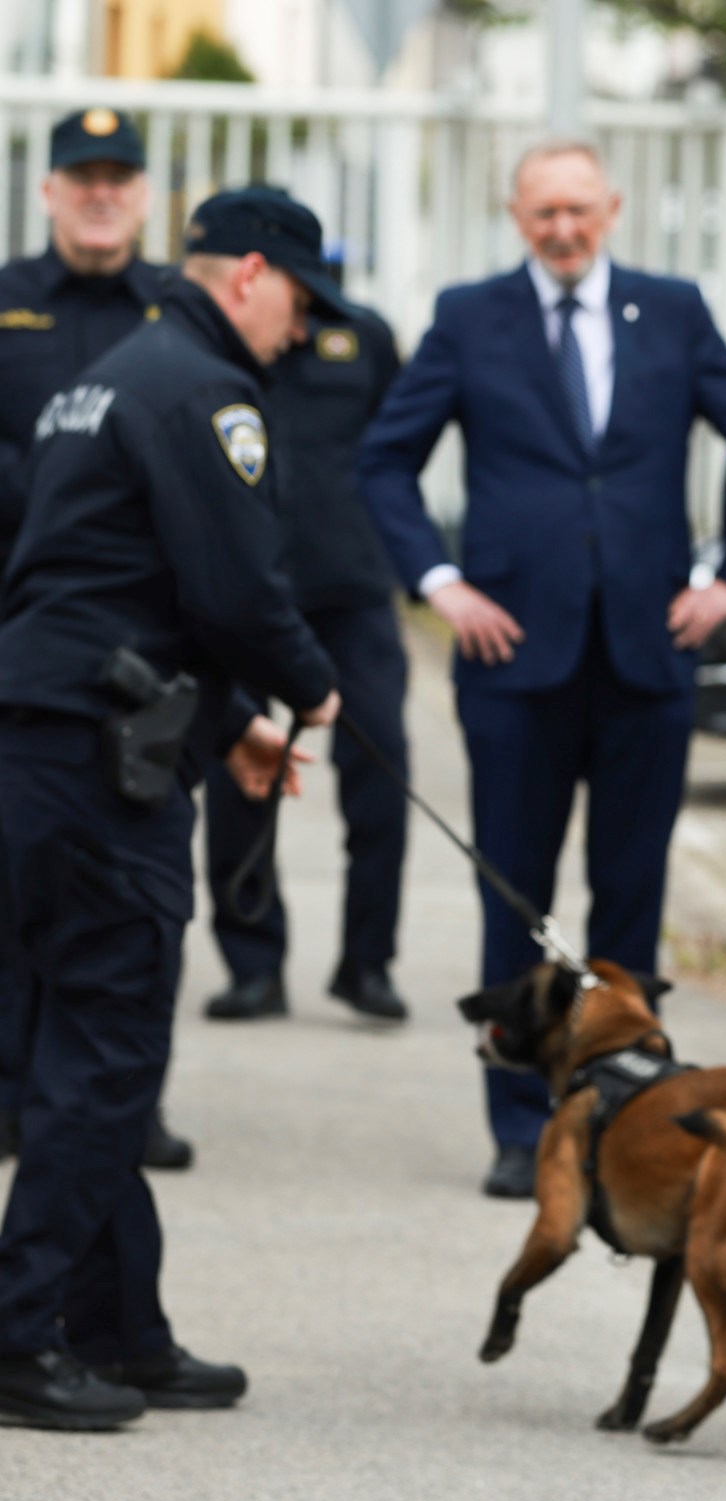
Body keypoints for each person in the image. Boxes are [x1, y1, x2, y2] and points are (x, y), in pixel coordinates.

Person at [357, 138, 726, 1200]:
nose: (563, 228)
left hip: (648, 654)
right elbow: (385, 460)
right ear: (516, 216)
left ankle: (620, 1120)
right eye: (543, 211)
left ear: (612, 209)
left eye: (579, 209)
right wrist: (441, 583)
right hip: (513, 659)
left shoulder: (672, 311)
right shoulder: (470, 316)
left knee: (630, 899)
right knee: (515, 896)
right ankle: (520, 1126)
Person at [0, 187, 343, 1430]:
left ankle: (117, 1329)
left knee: (77, 1044)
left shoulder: (108, 378)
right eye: (298, 300)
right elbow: (234, 590)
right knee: (108, 1049)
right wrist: (312, 687)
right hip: (102, 765)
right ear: (249, 273)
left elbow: (102, 577)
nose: (300, 329)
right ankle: (18, 1334)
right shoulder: (207, 391)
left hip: (49, 733)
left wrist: (230, 719)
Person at [0, 107, 192, 1173]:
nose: (102, 194)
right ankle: (13, 1090)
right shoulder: (6, 301)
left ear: (144, 195)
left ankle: (124, 1102)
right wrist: (66, 492)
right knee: (17, 868)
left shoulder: (172, 309)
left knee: (128, 880)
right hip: (15, 622)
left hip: (136, 642)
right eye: (84, 178)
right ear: (50, 192)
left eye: (120, 178)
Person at [202, 299, 411, 1026]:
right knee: (238, 777)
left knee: (382, 772)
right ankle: (253, 966)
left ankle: (368, 963)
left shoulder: (365, 336)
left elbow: (398, 446)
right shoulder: (219, 337)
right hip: (245, 590)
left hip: (352, 592)